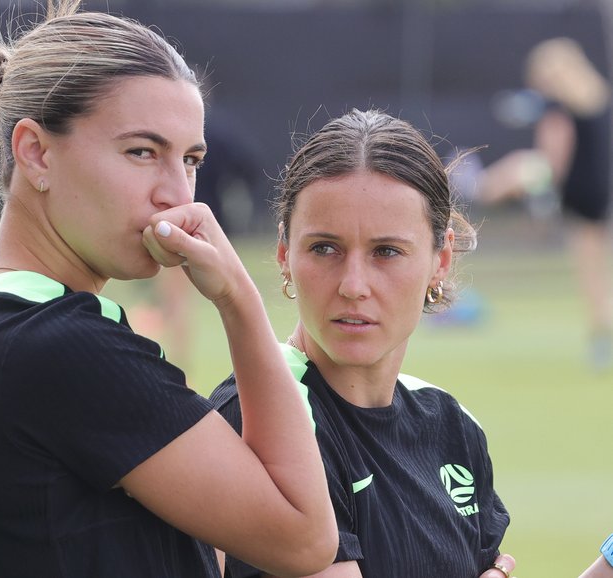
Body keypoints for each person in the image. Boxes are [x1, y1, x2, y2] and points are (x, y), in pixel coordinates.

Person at [0, 2, 338, 577]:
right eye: (142, 151)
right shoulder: (60, 346)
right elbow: (304, 538)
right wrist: (238, 297)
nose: (176, 192)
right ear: (35, 151)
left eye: (190, 160)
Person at [210, 108, 515, 577]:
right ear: (284, 254)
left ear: (441, 260)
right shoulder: (257, 418)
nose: (354, 285)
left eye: (386, 252)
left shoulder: (451, 423)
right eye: (324, 248)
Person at [473, 37, 613, 371]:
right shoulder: (593, 101)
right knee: (598, 271)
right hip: (597, 191)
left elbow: (553, 159)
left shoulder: (557, 107)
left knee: (591, 274)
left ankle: (602, 338)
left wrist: (538, 191)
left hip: (578, 194)